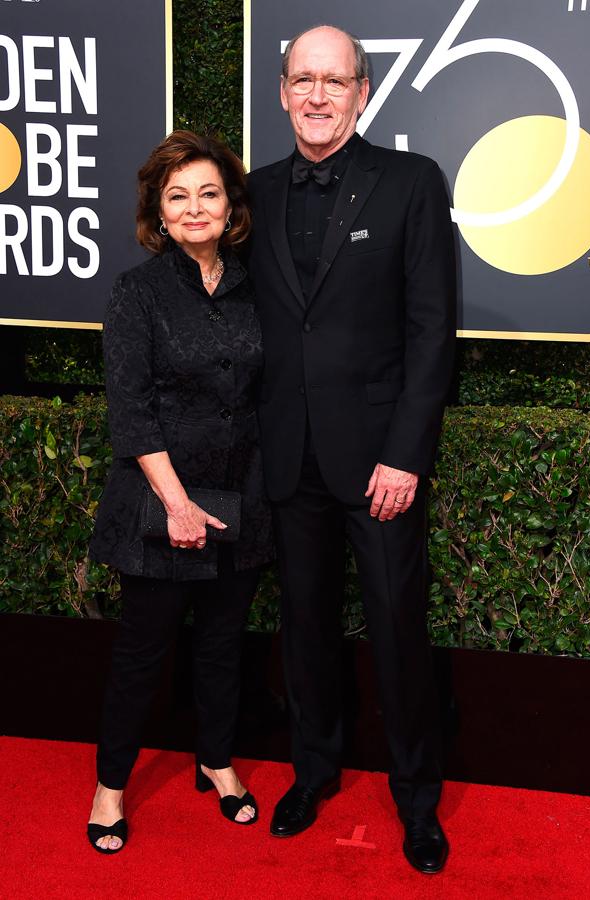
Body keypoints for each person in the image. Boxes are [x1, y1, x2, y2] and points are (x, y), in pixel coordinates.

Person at [246, 26, 456, 874]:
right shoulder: (252, 195)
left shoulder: (409, 183)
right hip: (289, 455)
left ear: (363, 91)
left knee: (398, 632)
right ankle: (313, 771)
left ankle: (417, 801)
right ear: (285, 91)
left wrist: (406, 454)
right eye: (303, 79)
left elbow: (430, 330)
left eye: (334, 81)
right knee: (304, 629)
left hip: (379, 463)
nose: (317, 95)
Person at [87, 131, 273, 853]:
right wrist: (176, 504)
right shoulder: (137, 291)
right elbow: (130, 410)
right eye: (178, 196)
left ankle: (217, 761)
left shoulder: (254, 284)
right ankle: (110, 786)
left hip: (244, 495)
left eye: (209, 192)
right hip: (161, 499)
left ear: (230, 207)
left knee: (224, 646)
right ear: (158, 214)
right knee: (141, 655)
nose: (195, 207)